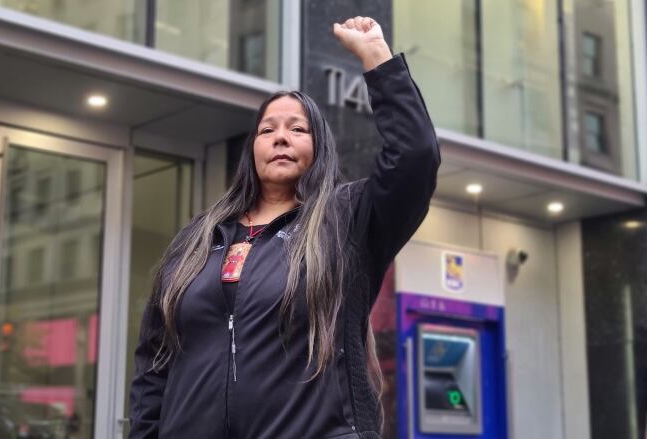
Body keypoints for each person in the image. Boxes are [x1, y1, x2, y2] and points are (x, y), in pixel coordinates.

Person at [129, 16, 440, 439]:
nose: (280, 138)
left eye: (298, 129)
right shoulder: (198, 239)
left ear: (320, 147)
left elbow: (415, 158)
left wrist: (376, 59)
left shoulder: (346, 219)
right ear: (251, 149)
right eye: (267, 130)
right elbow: (155, 360)